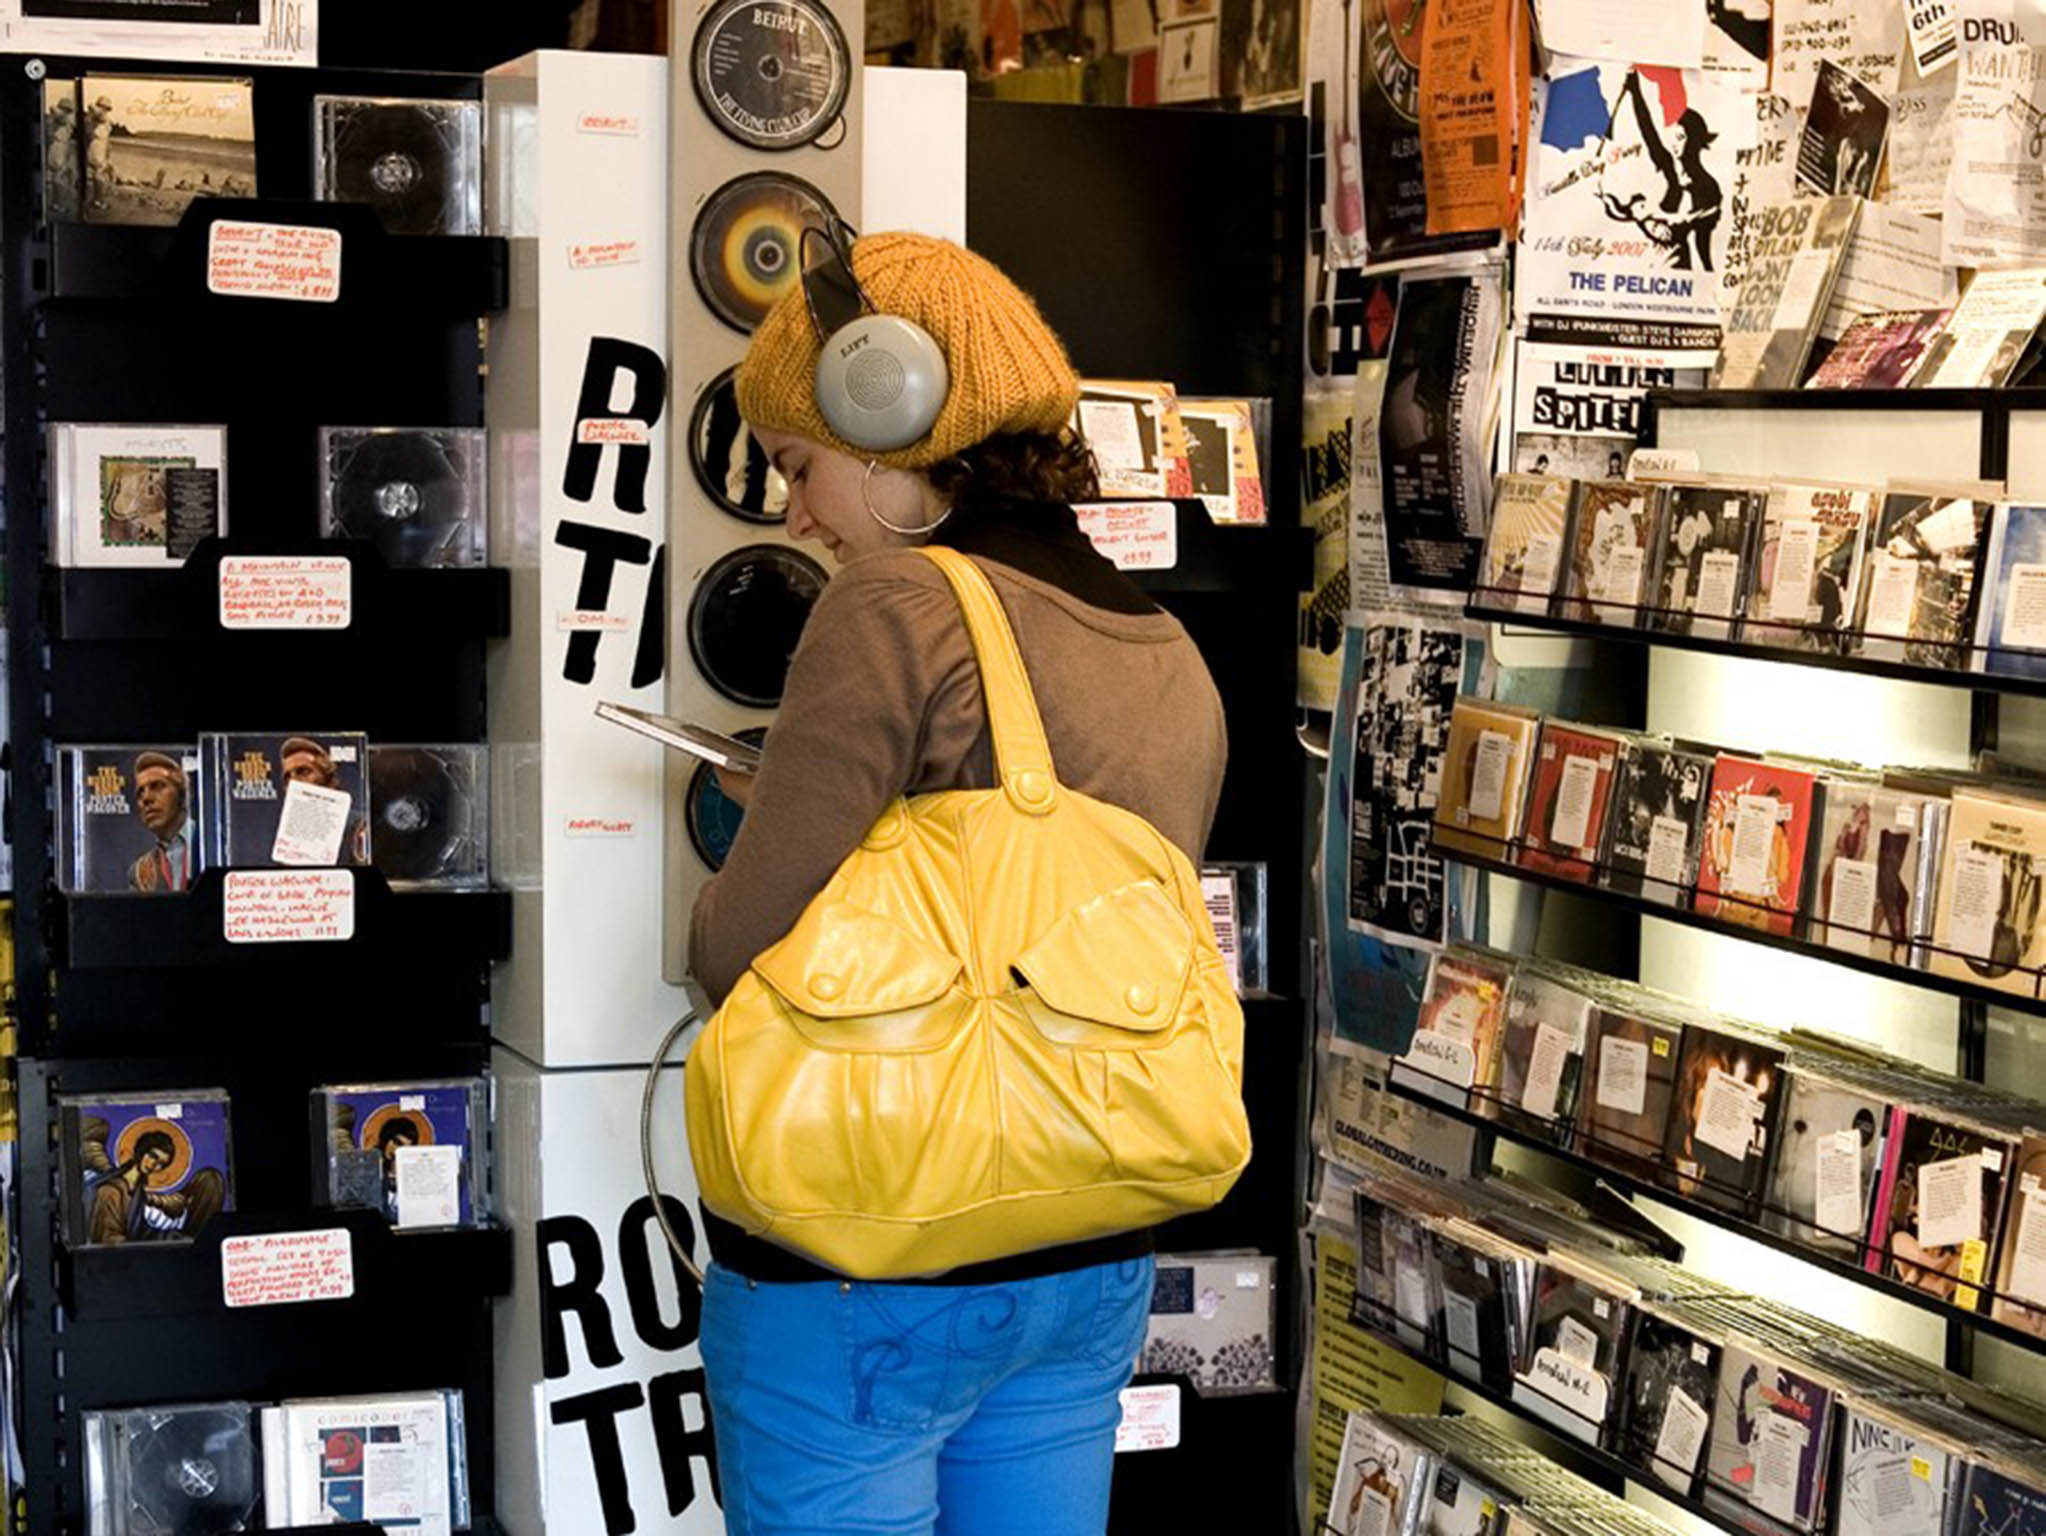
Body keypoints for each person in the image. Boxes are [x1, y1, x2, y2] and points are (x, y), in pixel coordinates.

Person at [688, 231, 1228, 1536]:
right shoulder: (1173, 652)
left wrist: (774, 817)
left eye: (799, 466)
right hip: (1088, 1252)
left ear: (886, 425)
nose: (796, 513)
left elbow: (736, 951)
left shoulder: (894, 607)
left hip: (866, 1263)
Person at [1614, 70, 1721, 271]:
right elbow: (1648, 131)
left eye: (1681, 137)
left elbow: (1702, 243)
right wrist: (1635, 90)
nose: (1675, 143)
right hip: (1663, 265)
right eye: (1674, 135)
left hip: (1692, 272)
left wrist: (1654, 220)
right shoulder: (1668, 167)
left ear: (1694, 140)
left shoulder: (1706, 186)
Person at [128, 751, 195, 893]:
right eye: (140, 793)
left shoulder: (213, 848)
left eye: (157, 786)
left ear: (183, 795)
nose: (146, 798)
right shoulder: (140, 872)